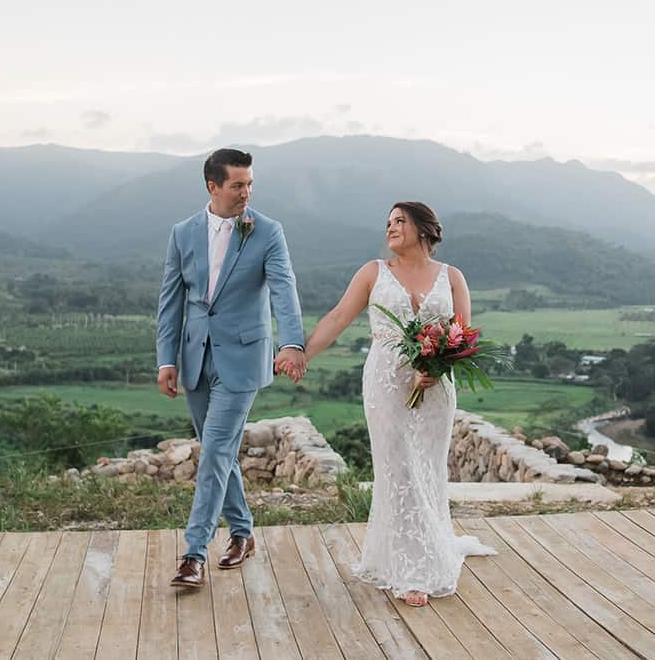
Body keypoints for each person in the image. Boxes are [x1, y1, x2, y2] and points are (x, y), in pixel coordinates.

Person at [302, 200, 495, 607]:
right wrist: (302, 354)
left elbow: (462, 336)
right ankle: (411, 570)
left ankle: (430, 548)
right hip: (386, 384)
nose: (390, 227)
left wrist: (438, 368)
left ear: (423, 228)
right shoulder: (372, 272)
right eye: (388, 222)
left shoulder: (452, 276)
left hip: (436, 389)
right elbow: (338, 317)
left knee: (427, 468)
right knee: (398, 468)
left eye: (400, 221)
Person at [155, 147, 307, 590]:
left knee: (215, 452)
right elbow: (171, 301)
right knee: (217, 450)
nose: (247, 193)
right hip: (195, 359)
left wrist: (292, 342)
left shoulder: (268, 231)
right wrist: (167, 359)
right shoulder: (182, 233)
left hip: (243, 359)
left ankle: (193, 554)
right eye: (238, 185)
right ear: (213, 186)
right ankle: (243, 532)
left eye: (250, 184)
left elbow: (284, 289)